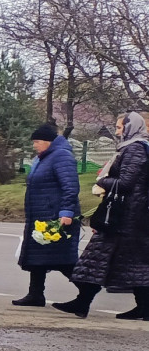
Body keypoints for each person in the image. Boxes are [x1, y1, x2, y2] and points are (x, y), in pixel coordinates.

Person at [55, 112, 149, 319]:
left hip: (124, 218)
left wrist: (102, 182)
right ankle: (141, 307)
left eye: (119, 128)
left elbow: (126, 184)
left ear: (130, 127)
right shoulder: (133, 148)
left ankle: (83, 303)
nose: (116, 132)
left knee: (101, 260)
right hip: (128, 217)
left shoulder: (134, 149)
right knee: (123, 263)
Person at [14, 123, 81, 307]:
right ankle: (35, 295)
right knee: (38, 259)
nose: (34, 145)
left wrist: (66, 212)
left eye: (36, 142)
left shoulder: (61, 157)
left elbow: (70, 187)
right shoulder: (44, 158)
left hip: (56, 216)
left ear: (48, 142)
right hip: (41, 215)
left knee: (63, 260)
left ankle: (87, 289)